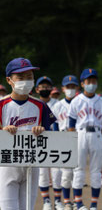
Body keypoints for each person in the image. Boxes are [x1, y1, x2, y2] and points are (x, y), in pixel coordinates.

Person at [0, 58, 56, 210]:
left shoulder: (40, 105)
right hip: (6, 165)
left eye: (29, 76)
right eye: (21, 77)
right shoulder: (1, 105)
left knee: (27, 208)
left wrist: (42, 131)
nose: (26, 81)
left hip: (32, 164)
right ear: (9, 80)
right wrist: (2, 131)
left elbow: (50, 137)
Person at [68, 68, 102, 210]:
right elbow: (71, 125)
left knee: (96, 170)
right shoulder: (76, 101)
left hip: (96, 134)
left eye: (94, 80)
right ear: (83, 83)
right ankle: (78, 204)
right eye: (88, 80)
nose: (92, 83)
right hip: (80, 134)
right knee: (78, 169)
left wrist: (101, 138)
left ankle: (93, 204)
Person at [35, 76, 63, 210]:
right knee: (42, 172)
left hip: (55, 141)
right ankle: (46, 200)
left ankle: (58, 200)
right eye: (42, 86)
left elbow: (58, 123)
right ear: (37, 89)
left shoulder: (58, 104)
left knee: (57, 173)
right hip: (39, 142)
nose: (45, 89)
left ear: (51, 89)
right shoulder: (34, 103)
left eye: (47, 86)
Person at [52, 75, 80, 210]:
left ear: (77, 88)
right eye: (68, 87)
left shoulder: (80, 102)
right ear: (63, 89)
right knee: (65, 174)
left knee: (77, 173)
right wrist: (58, 140)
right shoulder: (58, 105)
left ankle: (76, 201)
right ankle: (67, 202)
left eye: (73, 87)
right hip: (64, 139)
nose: (70, 89)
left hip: (78, 138)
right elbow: (56, 125)